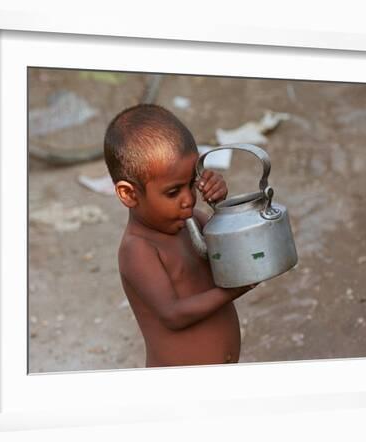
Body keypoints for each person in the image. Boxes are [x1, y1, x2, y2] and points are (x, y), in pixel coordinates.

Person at [104, 104, 255, 367]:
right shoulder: (138, 250)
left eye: (191, 183)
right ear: (129, 194)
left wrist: (218, 205)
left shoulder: (192, 221)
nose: (188, 199)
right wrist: (232, 291)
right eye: (173, 192)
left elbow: (227, 250)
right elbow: (173, 314)